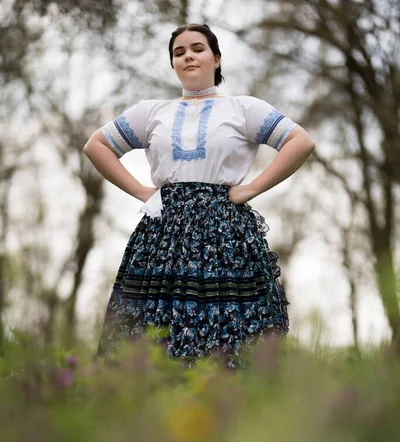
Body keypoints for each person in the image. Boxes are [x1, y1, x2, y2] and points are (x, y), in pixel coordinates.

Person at [83, 23, 315, 369]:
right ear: (173, 64)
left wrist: (251, 188)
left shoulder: (243, 109)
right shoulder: (151, 112)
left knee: (228, 328)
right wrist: (143, 191)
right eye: (179, 52)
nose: (188, 55)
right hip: (162, 232)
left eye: (197, 48)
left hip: (226, 235)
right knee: (151, 327)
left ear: (216, 59)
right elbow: (96, 146)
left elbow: (300, 142)